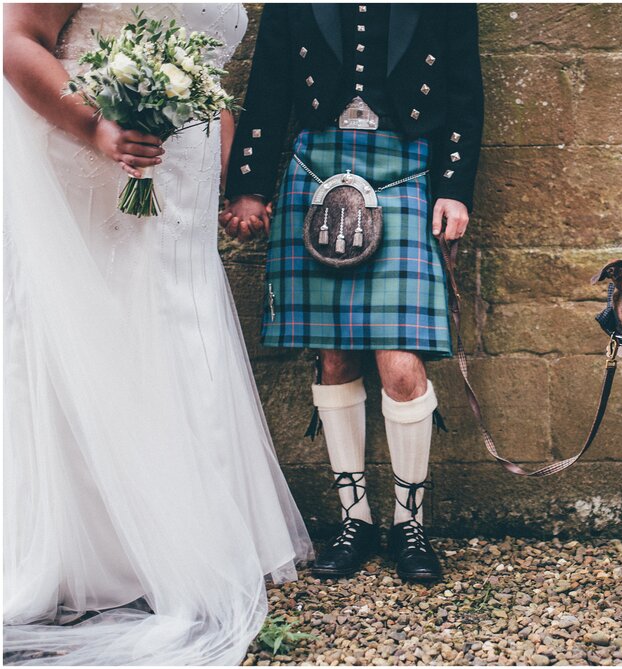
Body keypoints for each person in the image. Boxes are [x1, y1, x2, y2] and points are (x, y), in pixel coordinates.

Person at [3, 4, 312, 664]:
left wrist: (239, 177)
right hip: (99, 165)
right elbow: (15, 41)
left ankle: (185, 542)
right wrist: (95, 126)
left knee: (180, 332)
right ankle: (105, 555)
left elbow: (205, 76)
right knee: (112, 343)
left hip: (185, 185)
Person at [220, 4, 484, 583]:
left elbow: (465, 91)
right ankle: (354, 520)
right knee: (334, 355)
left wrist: (455, 187)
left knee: (401, 365)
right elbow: (267, 87)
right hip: (316, 168)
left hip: (408, 169)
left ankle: (408, 524)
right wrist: (249, 185)